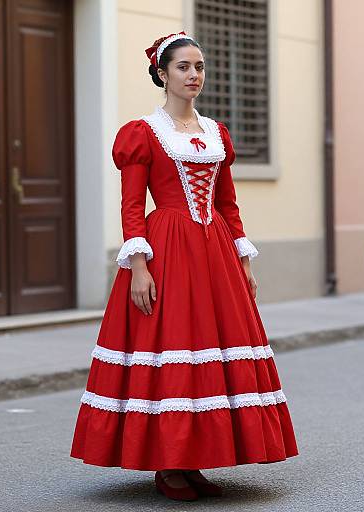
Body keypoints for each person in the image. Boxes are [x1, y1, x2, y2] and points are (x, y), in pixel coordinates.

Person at [70, 30, 299, 501]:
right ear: (162, 73)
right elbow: (132, 206)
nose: (194, 75)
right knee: (173, 343)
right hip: (168, 247)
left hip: (214, 250)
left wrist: (243, 258)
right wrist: (138, 266)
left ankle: (192, 461)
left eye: (199, 67)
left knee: (208, 348)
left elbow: (228, 204)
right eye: (183, 67)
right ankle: (168, 464)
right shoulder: (143, 133)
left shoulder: (216, 131)